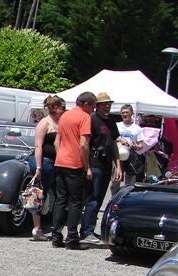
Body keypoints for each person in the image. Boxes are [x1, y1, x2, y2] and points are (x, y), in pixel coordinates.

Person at [51, 91, 96, 250]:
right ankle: (72, 239)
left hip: (60, 161)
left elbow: (57, 142)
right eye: (93, 106)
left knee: (60, 199)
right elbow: (84, 145)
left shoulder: (65, 116)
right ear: (86, 104)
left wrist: (62, 155)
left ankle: (56, 237)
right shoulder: (84, 117)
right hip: (75, 164)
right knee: (76, 202)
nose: (93, 110)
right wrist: (87, 167)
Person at [80, 92, 122, 244]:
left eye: (108, 104)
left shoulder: (111, 122)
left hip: (106, 164)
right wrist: (88, 167)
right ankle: (86, 231)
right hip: (95, 162)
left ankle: (88, 229)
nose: (107, 107)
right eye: (104, 104)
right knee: (92, 198)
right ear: (97, 106)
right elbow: (85, 145)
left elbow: (114, 145)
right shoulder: (92, 120)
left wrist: (118, 166)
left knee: (98, 199)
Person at [28, 95, 65, 241]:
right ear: (55, 108)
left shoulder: (60, 122)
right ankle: (36, 228)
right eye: (63, 107)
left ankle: (55, 227)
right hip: (45, 161)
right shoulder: (45, 123)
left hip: (57, 162)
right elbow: (38, 146)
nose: (64, 110)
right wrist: (38, 167)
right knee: (39, 193)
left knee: (57, 195)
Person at [111, 104, 143, 193]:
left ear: (132, 113)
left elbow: (141, 145)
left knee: (130, 181)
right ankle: (114, 199)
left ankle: (126, 198)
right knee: (115, 179)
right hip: (117, 154)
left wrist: (137, 146)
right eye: (123, 113)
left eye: (127, 112)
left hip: (130, 155)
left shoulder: (137, 128)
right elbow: (111, 138)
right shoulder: (116, 125)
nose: (125, 114)